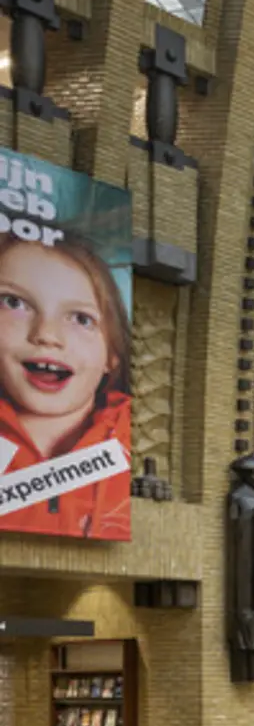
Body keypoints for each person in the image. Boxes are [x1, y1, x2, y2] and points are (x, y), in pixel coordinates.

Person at [0, 230, 133, 538]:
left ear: (112, 354)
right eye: (14, 302)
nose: (47, 335)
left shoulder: (129, 446)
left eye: (81, 319)